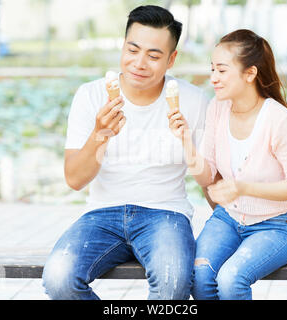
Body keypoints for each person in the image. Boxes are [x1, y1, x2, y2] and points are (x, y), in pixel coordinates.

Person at [42, 5, 210, 300]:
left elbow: (210, 177)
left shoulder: (193, 101)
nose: (139, 63)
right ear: (123, 47)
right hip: (101, 213)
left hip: (166, 212)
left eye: (154, 55)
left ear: (171, 59)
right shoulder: (91, 95)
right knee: (59, 279)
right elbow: (74, 179)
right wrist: (99, 135)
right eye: (133, 50)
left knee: (172, 285)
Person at [167, 29, 287, 300]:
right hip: (228, 219)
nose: (213, 78)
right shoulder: (217, 108)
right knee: (199, 277)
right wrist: (186, 139)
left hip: (276, 227)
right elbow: (207, 177)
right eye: (212, 69)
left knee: (231, 280)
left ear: (250, 73)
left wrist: (242, 188)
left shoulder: (277, 119)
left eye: (221, 70)